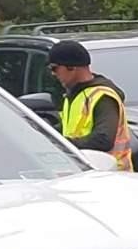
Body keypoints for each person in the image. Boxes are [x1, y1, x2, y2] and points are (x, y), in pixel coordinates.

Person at [48, 40, 132, 170]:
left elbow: (103, 140)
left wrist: (63, 144)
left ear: (72, 67)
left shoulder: (102, 96)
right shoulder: (73, 96)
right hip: (85, 172)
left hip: (111, 175)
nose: (53, 73)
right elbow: (69, 129)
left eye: (55, 68)